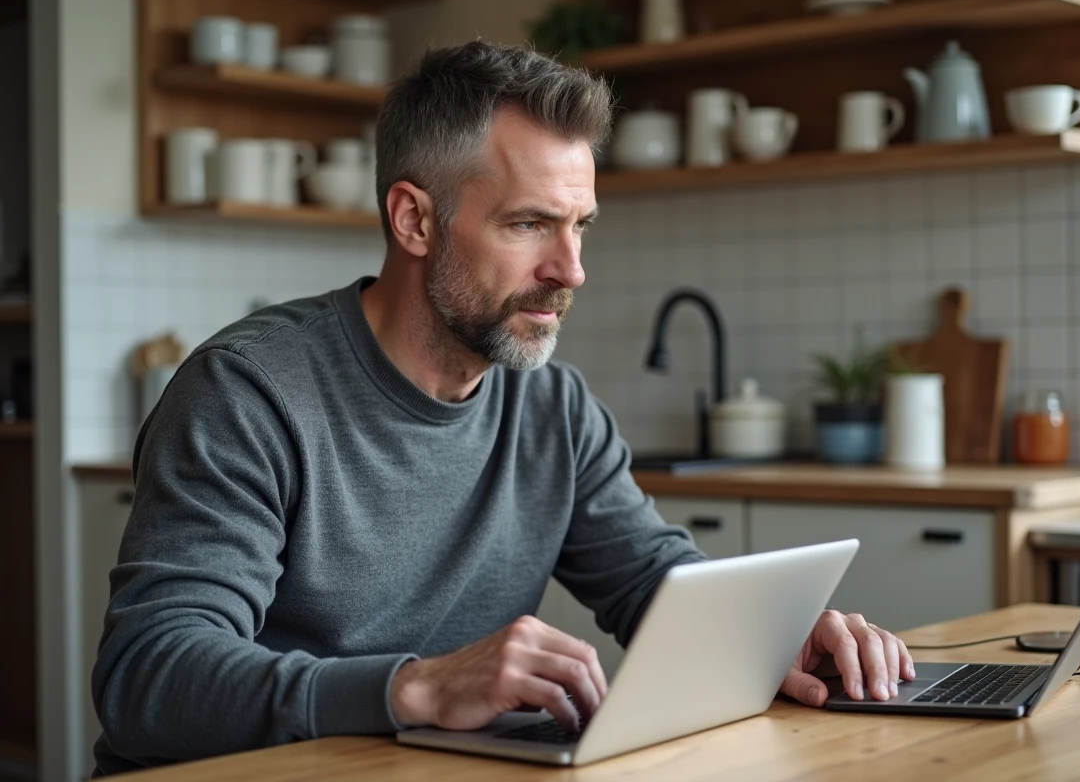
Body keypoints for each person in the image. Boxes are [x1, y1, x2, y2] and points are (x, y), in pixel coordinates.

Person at [92, 40, 915, 775]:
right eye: (530, 224)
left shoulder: (551, 406)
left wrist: (780, 636)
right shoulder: (250, 392)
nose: (572, 269)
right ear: (414, 219)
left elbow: (655, 582)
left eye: (580, 226)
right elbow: (149, 673)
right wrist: (413, 688)